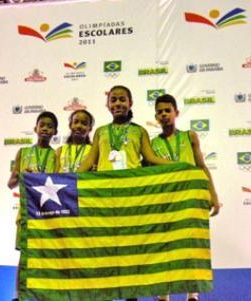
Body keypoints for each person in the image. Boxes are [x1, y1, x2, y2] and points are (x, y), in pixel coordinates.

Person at [77, 85, 172, 301]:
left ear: (130, 103)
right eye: (113, 100)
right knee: (104, 249)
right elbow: (88, 163)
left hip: (131, 200)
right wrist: (61, 179)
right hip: (103, 199)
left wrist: (178, 165)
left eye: (122, 99)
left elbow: (151, 158)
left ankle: (131, 296)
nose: (118, 103)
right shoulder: (100, 131)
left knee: (132, 250)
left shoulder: (140, 131)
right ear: (108, 104)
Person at [152, 94, 220, 301]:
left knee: (191, 246)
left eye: (167, 111)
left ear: (176, 113)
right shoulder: (153, 143)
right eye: (160, 112)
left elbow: (201, 166)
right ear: (156, 116)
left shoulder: (190, 136)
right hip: (165, 201)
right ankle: (163, 295)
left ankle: (193, 294)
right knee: (164, 246)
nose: (164, 115)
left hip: (189, 199)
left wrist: (213, 194)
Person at [7, 111, 59, 301]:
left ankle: (44, 295)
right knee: (25, 255)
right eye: (42, 125)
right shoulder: (23, 152)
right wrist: (23, 175)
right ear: (35, 128)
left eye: (50, 126)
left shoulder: (57, 155)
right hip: (27, 211)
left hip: (47, 213)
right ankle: (19, 295)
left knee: (45, 255)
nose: (45, 129)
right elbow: (10, 183)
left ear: (55, 131)